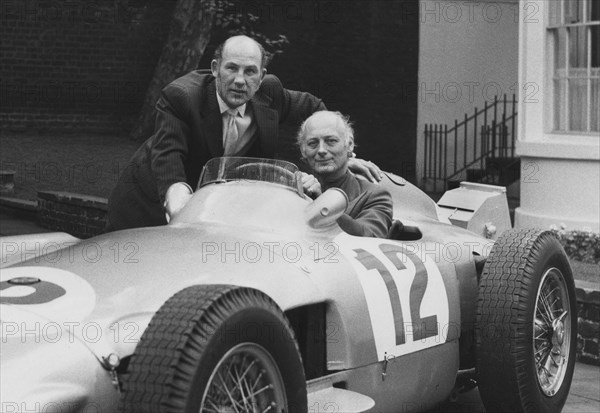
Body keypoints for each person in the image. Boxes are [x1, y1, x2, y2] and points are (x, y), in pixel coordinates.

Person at [106, 35, 381, 231]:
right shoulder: (182, 97)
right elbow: (169, 160)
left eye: (250, 72)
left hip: (215, 211)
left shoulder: (270, 94)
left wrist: (344, 155)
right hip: (147, 200)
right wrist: (177, 205)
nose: (240, 80)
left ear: (261, 77)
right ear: (215, 69)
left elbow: (316, 109)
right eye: (231, 68)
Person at [298, 111, 393, 238]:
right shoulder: (294, 189)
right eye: (312, 143)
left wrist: (322, 203)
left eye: (331, 141)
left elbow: (370, 238)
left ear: (349, 145)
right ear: (303, 150)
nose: (321, 150)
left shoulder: (374, 196)